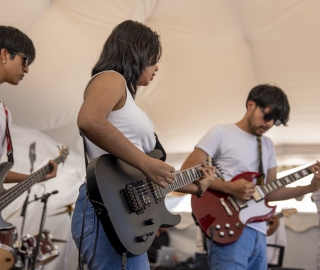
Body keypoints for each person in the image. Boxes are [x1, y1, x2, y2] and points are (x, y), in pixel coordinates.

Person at [71, 20, 215, 270]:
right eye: (153, 58)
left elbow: (142, 185)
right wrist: (147, 162)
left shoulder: (129, 101)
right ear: (138, 51)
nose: (157, 66)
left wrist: (197, 186)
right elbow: (89, 120)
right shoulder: (110, 79)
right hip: (106, 212)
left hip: (125, 217)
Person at [180, 84, 320, 270]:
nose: (270, 124)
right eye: (268, 116)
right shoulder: (220, 133)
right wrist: (229, 188)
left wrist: (310, 188)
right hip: (227, 227)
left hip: (259, 232)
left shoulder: (267, 145)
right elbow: (186, 172)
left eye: (276, 121)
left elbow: (270, 191)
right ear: (251, 105)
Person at [0, 25, 57, 184]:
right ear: (4, 54)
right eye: (25, 60)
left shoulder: (4, 113)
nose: (26, 69)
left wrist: (34, 178)